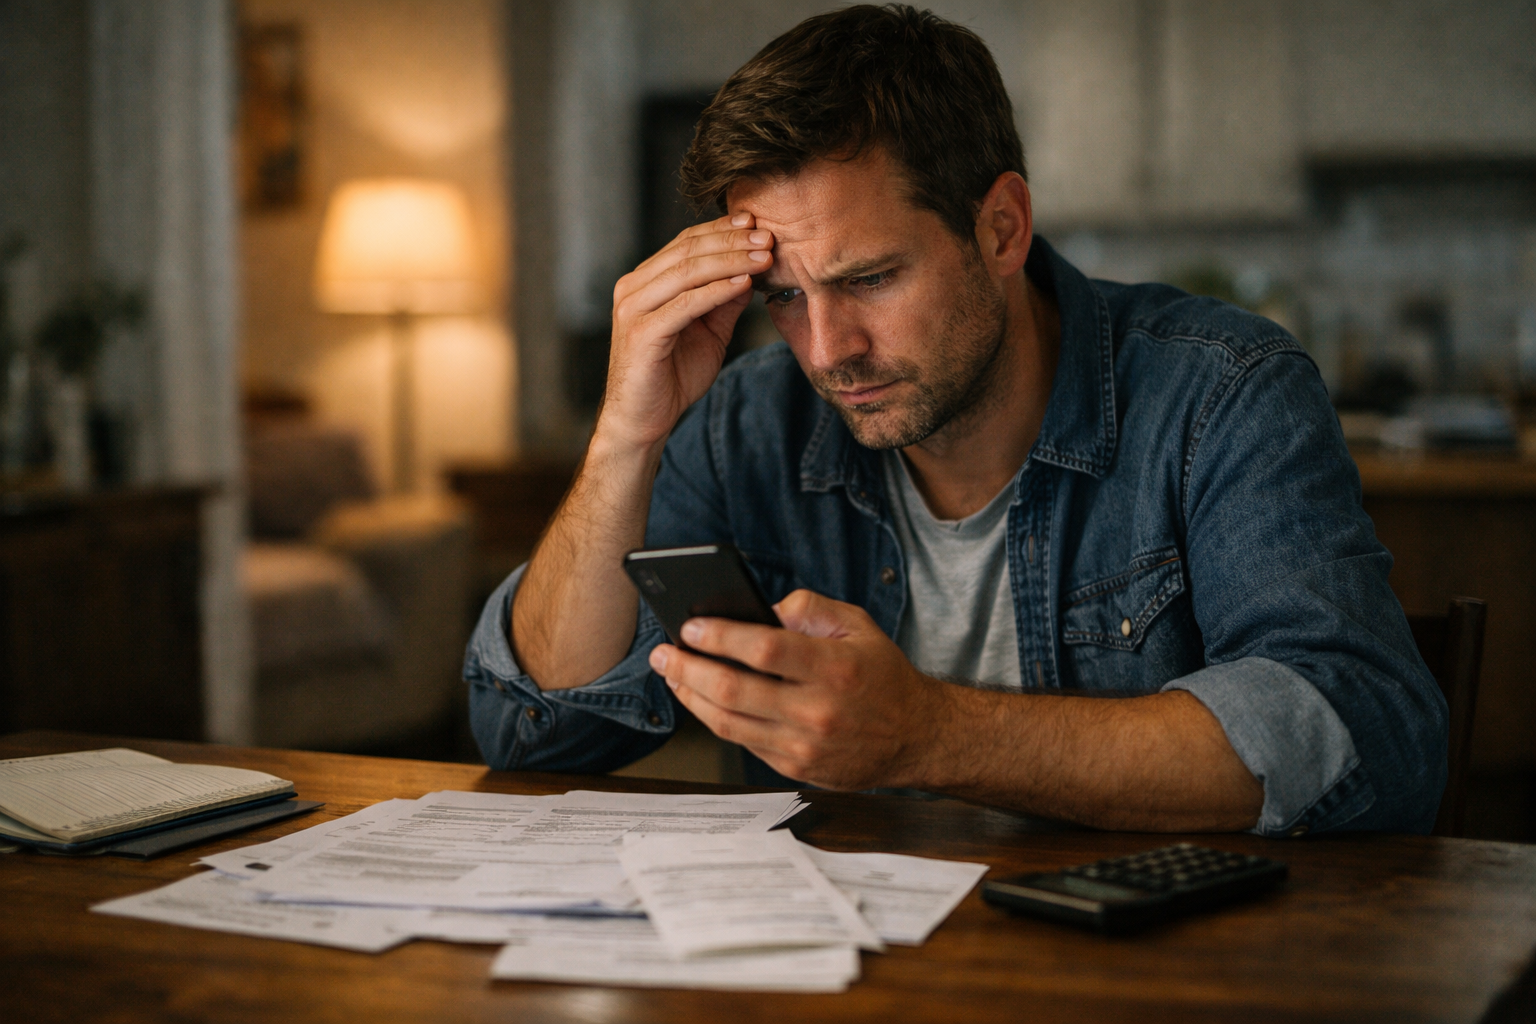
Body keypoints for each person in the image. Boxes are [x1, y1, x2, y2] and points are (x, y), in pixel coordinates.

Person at [466, 4, 1446, 837]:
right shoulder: (745, 422)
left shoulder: (1222, 392)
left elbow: (1361, 731)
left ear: (1002, 228)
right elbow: (536, 733)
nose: (826, 349)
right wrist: (623, 435)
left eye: (871, 278)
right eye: (786, 298)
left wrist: (932, 734)